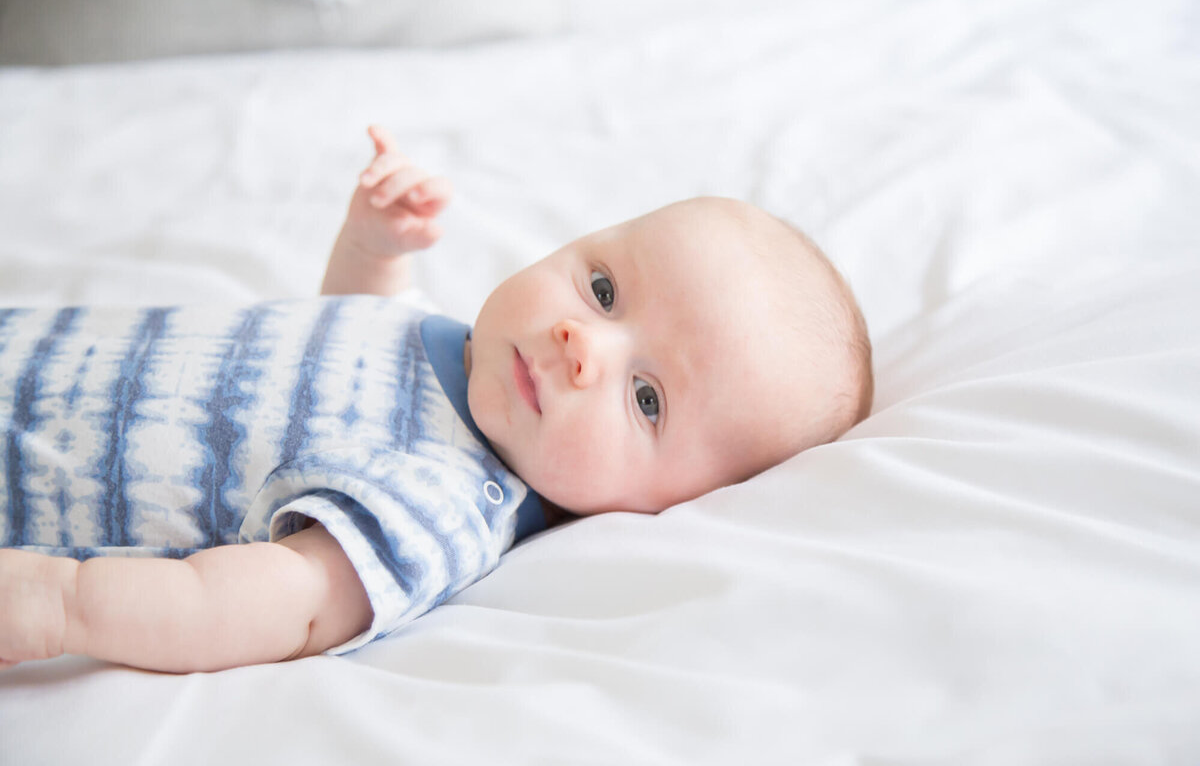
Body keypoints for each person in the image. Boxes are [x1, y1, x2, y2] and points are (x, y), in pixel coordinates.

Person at [0, 126, 872, 673]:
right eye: (604, 290)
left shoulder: (445, 501)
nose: (582, 345)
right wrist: (375, 250)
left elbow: (284, 601)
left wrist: (60, 605)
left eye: (647, 400)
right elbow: (353, 329)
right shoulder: (456, 344)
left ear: (673, 505)